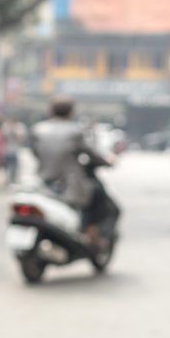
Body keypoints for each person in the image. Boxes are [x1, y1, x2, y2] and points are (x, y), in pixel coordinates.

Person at [31, 96, 119, 242]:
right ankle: (90, 232)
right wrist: (108, 161)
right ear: (71, 112)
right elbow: (91, 154)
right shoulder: (75, 131)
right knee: (98, 195)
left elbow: (35, 152)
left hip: (43, 180)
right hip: (69, 184)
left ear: (51, 111)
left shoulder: (38, 130)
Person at [2, 117, 28, 185]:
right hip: (6, 150)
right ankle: (7, 178)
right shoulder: (5, 126)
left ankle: (12, 179)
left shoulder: (19, 127)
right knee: (6, 165)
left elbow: (21, 139)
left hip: (15, 150)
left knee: (14, 165)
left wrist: (14, 130)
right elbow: (3, 138)